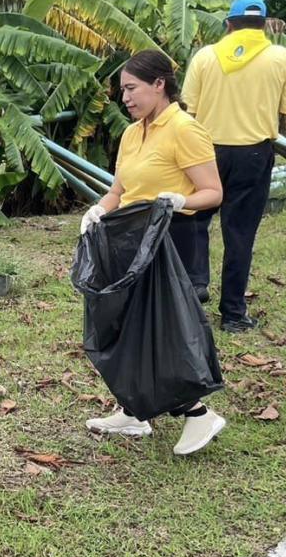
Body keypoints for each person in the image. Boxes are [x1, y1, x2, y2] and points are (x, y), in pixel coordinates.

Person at [80, 50, 227, 455]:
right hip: (131, 241)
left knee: (161, 331)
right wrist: (98, 211)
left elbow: (213, 192)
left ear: (159, 84)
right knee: (126, 326)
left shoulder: (184, 129)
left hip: (170, 241)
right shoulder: (133, 133)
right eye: (122, 91)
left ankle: (198, 414)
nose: (124, 98)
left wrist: (180, 200)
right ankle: (133, 409)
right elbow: (118, 190)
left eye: (131, 88)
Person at [181, 0, 286, 332]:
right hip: (253, 155)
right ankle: (234, 315)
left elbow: (185, 115)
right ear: (265, 25)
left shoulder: (205, 57)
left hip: (203, 152)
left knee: (195, 220)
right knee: (239, 234)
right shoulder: (281, 58)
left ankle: (195, 287)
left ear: (228, 24)